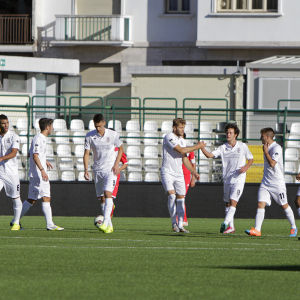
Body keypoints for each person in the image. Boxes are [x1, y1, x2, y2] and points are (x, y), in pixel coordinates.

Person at [201, 123, 253, 234]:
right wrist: (202, 148)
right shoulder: (223, 147)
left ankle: (225, 223)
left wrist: (246, 167)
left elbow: (250, 159)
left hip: (239, 178)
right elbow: (210, 155)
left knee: (233, 201)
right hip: (227, 179)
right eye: (227, 133)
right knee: (228, 203)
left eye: (230, 133)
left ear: (236, 135)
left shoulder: (242, 146)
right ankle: (231, 227)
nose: (228, 135)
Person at [246, 127, 298, 237]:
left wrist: (265, 152)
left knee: (284, 205)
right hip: (265, 182)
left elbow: (272, 163)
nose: (261, 138)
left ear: (268, 137)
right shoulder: (265, 147)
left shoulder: (276, 148)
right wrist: (265, 151)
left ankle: (293, 227)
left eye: (262, 136)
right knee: (260, 203)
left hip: (277, 182)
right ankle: (257, 230)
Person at [16, 118, 64, 231]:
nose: (52, 128)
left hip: (38, 173)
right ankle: (49, 224)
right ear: (47, 127)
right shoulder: (39, 138)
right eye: (51, 126)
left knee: (36, 199)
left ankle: (16, 221)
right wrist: (42, 169)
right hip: (38, 174)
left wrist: (44, 161)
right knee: (40, 198)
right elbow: (34, 155)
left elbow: (31, 153)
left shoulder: (40, 138)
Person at [161, 118, 205, 233]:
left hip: (179, 173)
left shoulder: (183, 140)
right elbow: (180, 150)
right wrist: (197, 147)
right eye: (180, 127)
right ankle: (173, 223)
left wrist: (193, 172)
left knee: (181, 199)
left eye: (183, 127)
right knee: (171, 196)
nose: (182, 130)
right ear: (174, 128)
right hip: (168, 172)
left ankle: (180, 225)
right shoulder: (169, 136)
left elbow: (185, 159)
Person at [84, 114, 123, 234]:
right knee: (101, 197)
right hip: (97, 170)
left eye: (100, 126)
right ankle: (109, 226)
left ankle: (105, 222)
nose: (98, 129)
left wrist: (117, 164)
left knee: (108, 193)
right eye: (96, 126)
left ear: (104, 123)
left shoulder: (113, 135)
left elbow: (121, 149)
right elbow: (86, 153)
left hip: (110, 169)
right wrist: (86, 169)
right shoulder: (90, 136)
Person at [0, 114, 22, 230]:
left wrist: (2, 158)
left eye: (7, 122)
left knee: (16, 198)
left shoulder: (14, 136)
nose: (6, 125)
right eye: (3, 123)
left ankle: (16, 222)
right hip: (0, 173)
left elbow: (14, 153)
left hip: (11, 174)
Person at [99, 130, 128, 219]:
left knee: (109, 196)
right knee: (102, 198)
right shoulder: (103, 148)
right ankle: (106, 218)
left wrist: (119, 169)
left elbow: (125, 163)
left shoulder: (118, 150)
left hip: (114, 176)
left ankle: (107, 221)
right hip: (103, 174)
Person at [180, 132, 196, 227]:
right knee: (177, 197)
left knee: (182, 197)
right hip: (176, 175)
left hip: (186, 175)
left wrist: (193, 178)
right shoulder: (176, 149)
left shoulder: (189, 150)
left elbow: (193, 164)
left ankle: (183, 219)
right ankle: (180, 219)